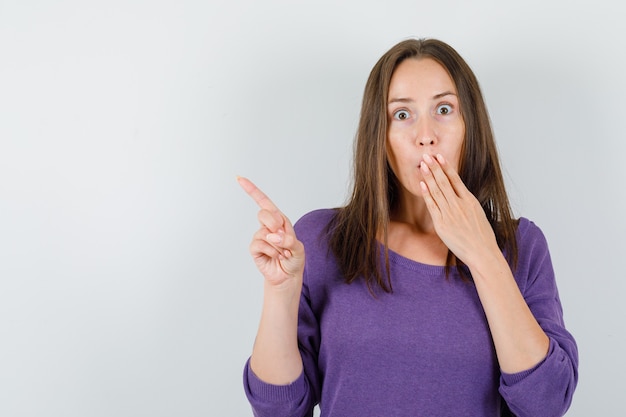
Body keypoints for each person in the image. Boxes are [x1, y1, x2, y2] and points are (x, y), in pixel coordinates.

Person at [237, 38, 578, 417]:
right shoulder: (322, 238)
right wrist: (281, 291)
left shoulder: (521, 246)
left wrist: (483, 254)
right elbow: (276, 409)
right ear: (379, 137)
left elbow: (546, 403)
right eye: (402, 114)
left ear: (471, 127)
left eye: (444, 109)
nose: (426, 134)